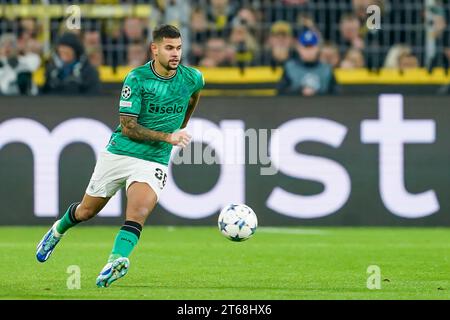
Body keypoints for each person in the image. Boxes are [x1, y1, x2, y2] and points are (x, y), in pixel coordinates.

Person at [36, 25, 205, 288]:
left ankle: (116, 261)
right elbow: (128, 126)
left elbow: (193, 98)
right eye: (169, 48)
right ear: (155, 49)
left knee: (138, 212)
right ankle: (58, 230)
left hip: (154, 159)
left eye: (179, 48)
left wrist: (181, 125)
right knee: (86, 211)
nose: (175, 54)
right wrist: (168, 137)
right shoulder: (137, 79)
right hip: (120, 152)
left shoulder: (192, 78)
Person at [277, 29, 336, 96]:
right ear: (299, 48)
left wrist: (316, 93)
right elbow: (281, 93)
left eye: (311, 47)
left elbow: (335, 94)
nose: (308, 51)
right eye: (305, 47)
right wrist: (300, 91)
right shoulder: (289, 67)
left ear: (318, 48)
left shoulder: (327, 69)